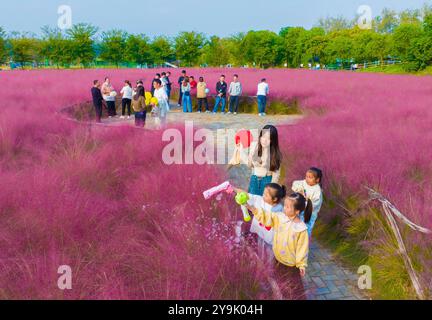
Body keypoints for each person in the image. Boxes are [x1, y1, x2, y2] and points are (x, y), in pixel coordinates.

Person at [246, 192, 310, 299]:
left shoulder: (301, 229)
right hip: (278, 259)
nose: (285, 208)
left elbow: (302, 248)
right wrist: (254, 209)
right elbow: (267, 217)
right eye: (285, 205)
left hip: (291, 264)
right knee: (279, 282)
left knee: (293, 287)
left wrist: (301, 264)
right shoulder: (280, 217)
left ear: (297, 211)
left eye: (288, 207)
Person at [234, 184, 285, 263]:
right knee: (259, 250)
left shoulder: (279, 210)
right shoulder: (259, 200)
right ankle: (259, 265)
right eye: (263, 193)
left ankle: (268, 269)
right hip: (260, 233)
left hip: (270, 239)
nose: (263, 196)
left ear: (274, 199)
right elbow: (247, 195)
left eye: (266, 195)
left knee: (269, 255)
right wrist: (233, 188)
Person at [248, 125, 282, 196]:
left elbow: (276, 175)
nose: (264, 140)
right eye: (263, 137)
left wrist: (270, 190)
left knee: (264, 205)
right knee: (251, 202)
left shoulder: (275, 154)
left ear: (273, 141)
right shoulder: (255, 148)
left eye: (268, 138)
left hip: (267, 181)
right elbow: (250, 165)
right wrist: (251, 154)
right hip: (254, 179)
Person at [292, 167, 323, 237]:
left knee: (307, 228)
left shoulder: (317, 190)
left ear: (317, 180)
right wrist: (299, 190)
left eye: (310, 177)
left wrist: (307, 201)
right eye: (306, 176)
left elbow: (315, 203)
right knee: (297, 225)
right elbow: (295, 184)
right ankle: (296, 240)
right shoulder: (304, 183)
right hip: (301, 210)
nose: (307, 178)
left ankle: (305, 242)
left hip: (310, 213)